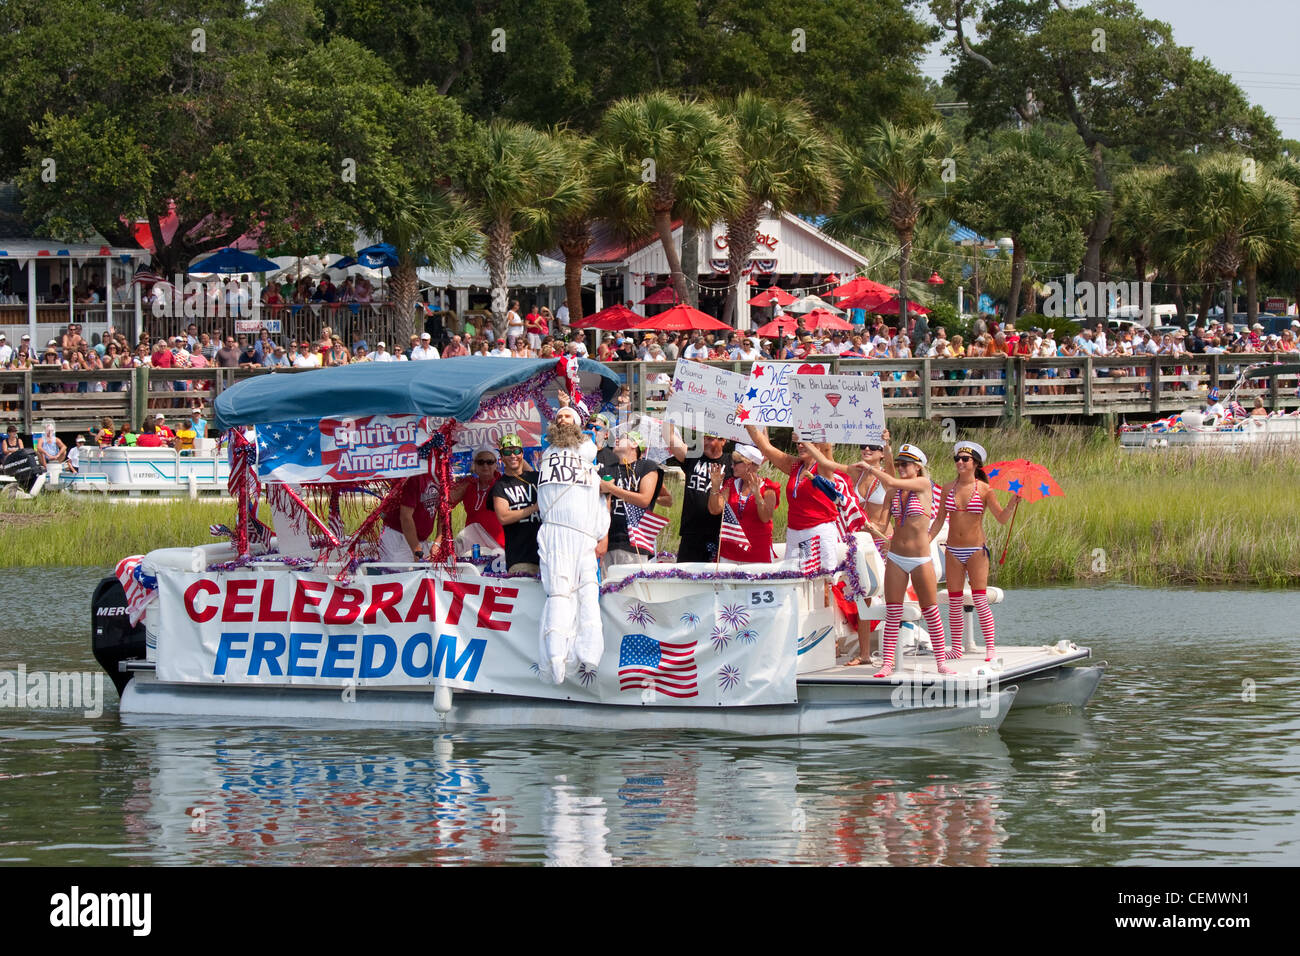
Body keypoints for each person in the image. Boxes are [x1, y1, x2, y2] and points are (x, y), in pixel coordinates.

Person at [859, 443, 952, 677]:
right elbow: (882, 524)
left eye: (905, 464)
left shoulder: (923, 485)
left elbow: (890, 481)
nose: (900, 467)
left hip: (921, 558)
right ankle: (887, 663)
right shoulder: (893, 493)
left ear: (918, 467)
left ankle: (941, 661)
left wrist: (870, 469)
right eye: (898, 464)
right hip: (896, 557)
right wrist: (865, 525)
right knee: (893, 611)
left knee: (930, 610)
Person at [536, 405, 609, 684]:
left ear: (578, 423)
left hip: (583, 535)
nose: (561, 419)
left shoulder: (588, 456)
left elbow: (598, 500)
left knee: (588, 592)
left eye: (568, 416)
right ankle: (554, 658)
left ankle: (590, 653)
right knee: (559, 593)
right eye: (558, 416)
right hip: (555, 533)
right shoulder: (547, 456)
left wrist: (600, 532)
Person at [932, 441, 1015, 664]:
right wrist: (926, 541)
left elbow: (1001, 518)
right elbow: (939, 520)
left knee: (979, 599)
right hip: (952, 550)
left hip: (976, 550)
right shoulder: (948, 488)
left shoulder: (985, 489)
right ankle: (956, 648)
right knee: (955, 599)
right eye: (957, 459)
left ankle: (990, 648)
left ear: (976, 463)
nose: (960, 462)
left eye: (965, 459)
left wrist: (1013, 502)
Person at [744, 424, 839, 572]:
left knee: (823, 580)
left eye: (805, 441)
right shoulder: (795, 466)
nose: (800, 445)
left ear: (817, 445)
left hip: (818, 530)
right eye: (798, 442)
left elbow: (826, 447)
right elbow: (767, 449)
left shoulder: (823, 466)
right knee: (794, 577)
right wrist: (748, 424)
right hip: (795, 532)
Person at [599, 429, 665, 566]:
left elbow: (644, 500)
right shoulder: (607, 470)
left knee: (631, 585)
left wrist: (612, 488)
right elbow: (601, 503)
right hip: (609, 541)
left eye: (622, 437)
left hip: (635, 542)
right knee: (607, 586)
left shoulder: (647, 466)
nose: (616, 440)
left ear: (634, 444)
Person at [665, 426, 727, 562]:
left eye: (710, 439)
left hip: (718, 535)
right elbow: (668, 437)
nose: (705, 442)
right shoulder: (694, 456)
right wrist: (671, 409)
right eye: (703, 438)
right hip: (691, 534)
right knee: (685, 580)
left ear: (723, 441)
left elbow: (760, 456)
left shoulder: (731, 464)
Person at [709, 443, 779, 563]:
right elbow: (714, 510)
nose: (732, 466)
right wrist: (715, 487)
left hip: (757, 555)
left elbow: (765, 518)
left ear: (749, 465)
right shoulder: (731, 484)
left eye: (736, 463)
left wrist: (757, 495)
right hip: (729, 553)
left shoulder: (768, 488)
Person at [490, 433, 542, 574]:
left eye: (516, 451)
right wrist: (534, 508)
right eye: (507, 452)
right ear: (501, 457)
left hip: (547, 555)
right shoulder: (500, 486)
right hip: (520, 558)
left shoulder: (536, 477)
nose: (513, 455)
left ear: (522, 453)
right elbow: (503, 517)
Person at [449, 446, 506, 557]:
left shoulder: (503, 483)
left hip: (499, 546)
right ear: (474, 465)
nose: (485, 466)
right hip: (472, 547)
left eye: (489, 462)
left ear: (496, 464)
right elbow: (447, 502)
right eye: (480, 462)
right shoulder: (468, 485)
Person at [378, 473, 441, 563]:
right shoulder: (414, 475)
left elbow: (445, 511)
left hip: (420, 540)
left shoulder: (440, 473)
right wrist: (417, 551)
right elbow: (405, 517)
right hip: (398, 538)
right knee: (396, 575)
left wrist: (437, 543)